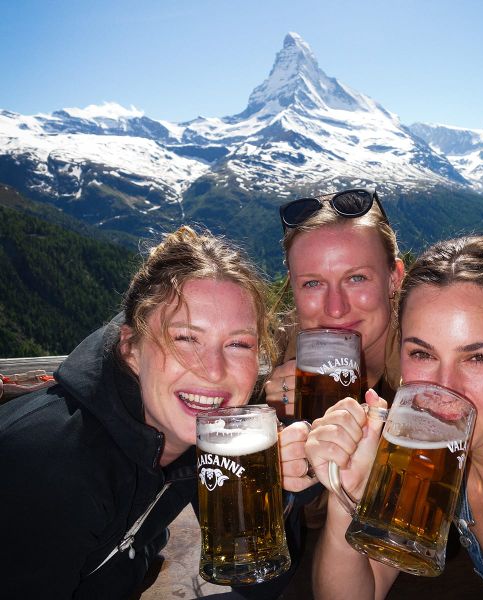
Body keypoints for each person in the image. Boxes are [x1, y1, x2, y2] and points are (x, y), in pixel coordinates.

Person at [0, 226, 311, 599]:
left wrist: (270, 493)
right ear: (130, 347)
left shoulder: (199, 437)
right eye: (185, 338)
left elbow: (256, 581)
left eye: (239, 344)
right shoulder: (48, 464)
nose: (213, 370)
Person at [305, 235, 483, 599]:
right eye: (422, 354)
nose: (444, 390)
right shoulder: (428, 458)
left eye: (478, 357)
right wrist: (346, 499)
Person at [265, 187, 404, 418]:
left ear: (394, 278)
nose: (336, 308)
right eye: (312, 283)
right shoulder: (276, 351)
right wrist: (277, 420)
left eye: (356, 278)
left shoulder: (427, 367)